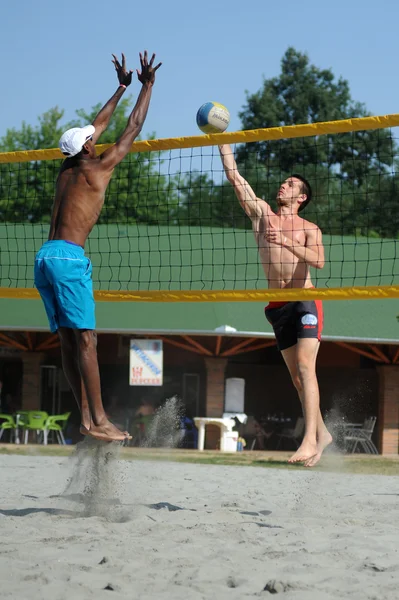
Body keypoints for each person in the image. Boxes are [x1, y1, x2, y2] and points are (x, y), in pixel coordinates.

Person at [34, 51, 162, 443]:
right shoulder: (97, 167)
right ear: (88, 149)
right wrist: (147, 87)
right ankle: (100, 419)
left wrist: (120, 86)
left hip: (44, 258)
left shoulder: (66, 169)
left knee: (69, 342)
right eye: (92, 140)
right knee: (87, 339)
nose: (96, 137)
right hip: (69, 258)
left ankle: (86, 417)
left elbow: (99, 123)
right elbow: (132, 127)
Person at [219, 144, 332, 466]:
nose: (283, 185)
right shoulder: (262, 215)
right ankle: (323, 433)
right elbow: (234, 176)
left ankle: (309, 440)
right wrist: (221, 143)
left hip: (305, 299)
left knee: (306, 368)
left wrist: (287, 243)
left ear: (302, 198)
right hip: (276, 306)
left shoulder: (310, 229)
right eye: (283, 182)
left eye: (291, 184)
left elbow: (320, 263)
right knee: (297, 378)